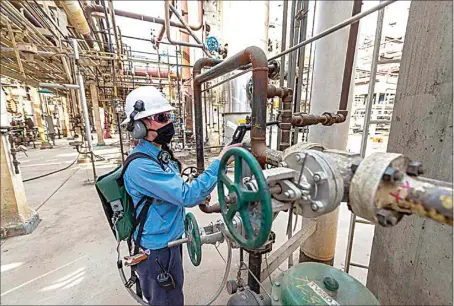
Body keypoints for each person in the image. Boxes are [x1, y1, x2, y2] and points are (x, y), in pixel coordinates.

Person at [121, 86, 239, 305]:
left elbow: (172, 168)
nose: (169, 123)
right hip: (157, 251)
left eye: (169, 116)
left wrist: (185, 170)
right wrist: (220, 161)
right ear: (138, 127)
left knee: (174, 293)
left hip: (171, 240)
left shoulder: (156, 153)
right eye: (161, 117)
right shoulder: (141, 166)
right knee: (167, 300)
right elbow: (187, 195)